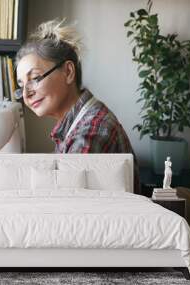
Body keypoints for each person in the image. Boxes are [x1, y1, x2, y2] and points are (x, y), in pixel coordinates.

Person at [15, 19, 140, 193]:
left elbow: (66, 198)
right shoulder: (77, 122)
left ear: (68, 72)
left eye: (35, 78)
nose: (26, 94)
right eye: (21, 85)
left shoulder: (91, 129)